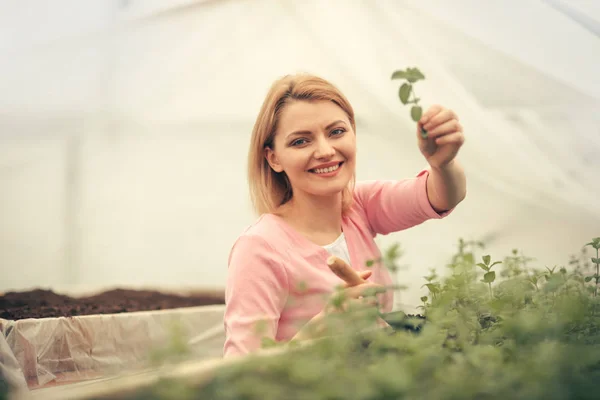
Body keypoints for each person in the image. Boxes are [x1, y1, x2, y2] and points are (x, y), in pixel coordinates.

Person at [223, 74, 466, 357]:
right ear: (273, 158)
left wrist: (443, 163)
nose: (325, 151)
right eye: (301, 141)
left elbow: (443, 196)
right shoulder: (259, 247)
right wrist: (326, 325)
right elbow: (240, 372)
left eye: (336, 132)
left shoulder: (359, 206)